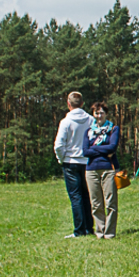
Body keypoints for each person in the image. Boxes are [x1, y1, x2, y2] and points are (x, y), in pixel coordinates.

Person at [53, 92, 93, 238]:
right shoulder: (90, 120)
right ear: (82, 103)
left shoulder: (66, 121)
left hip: (71, 162)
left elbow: (59, 145)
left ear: (68, 104)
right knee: (87, 196)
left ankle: (79, 230)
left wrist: (61, 158)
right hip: (87, 161)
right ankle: (89, 227)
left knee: (75, 197)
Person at [83, 102, 120, 239]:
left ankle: (109, 233)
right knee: (96, 203)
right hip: (91, 170)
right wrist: (102, 150)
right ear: (93, 114)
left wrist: (94, 149)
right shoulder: (88, 131)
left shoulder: (113, 129)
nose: (99, 115)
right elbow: (85, 151)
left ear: (106, 113)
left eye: (101, 112)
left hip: (109, 169)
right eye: (96, 113)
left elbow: (112, 147)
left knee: (111, 202)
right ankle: (100, 232)